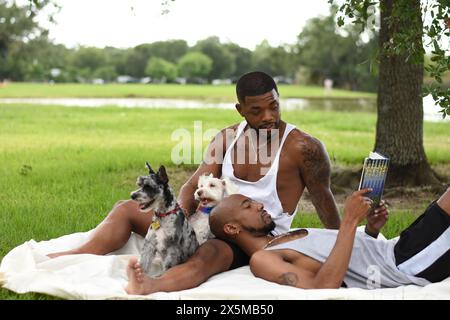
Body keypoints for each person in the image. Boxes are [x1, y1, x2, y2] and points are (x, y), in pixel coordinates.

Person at [48, 71, 341, 294]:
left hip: (249, 236)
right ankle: (78, 255)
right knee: (126, 208)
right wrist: (181, 223)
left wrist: (344, 245)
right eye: (257, 111)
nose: (268, 117)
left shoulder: (303, 148)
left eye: (274, 107)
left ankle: (149, 286)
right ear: (240, 110)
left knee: (207, 256)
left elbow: (324, 200)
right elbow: (191, 186)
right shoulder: (227, 138)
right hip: (207, 220)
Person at [201, 188, 450, 289]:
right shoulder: (263, 259)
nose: (259, 205)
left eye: (254, 201)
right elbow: (323, 288)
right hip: (402, 265)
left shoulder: (283, 238)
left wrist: (371, 230)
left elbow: (347, 258)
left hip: (396, 249)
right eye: (248, 206)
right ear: (232, 228)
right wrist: (350, 221)